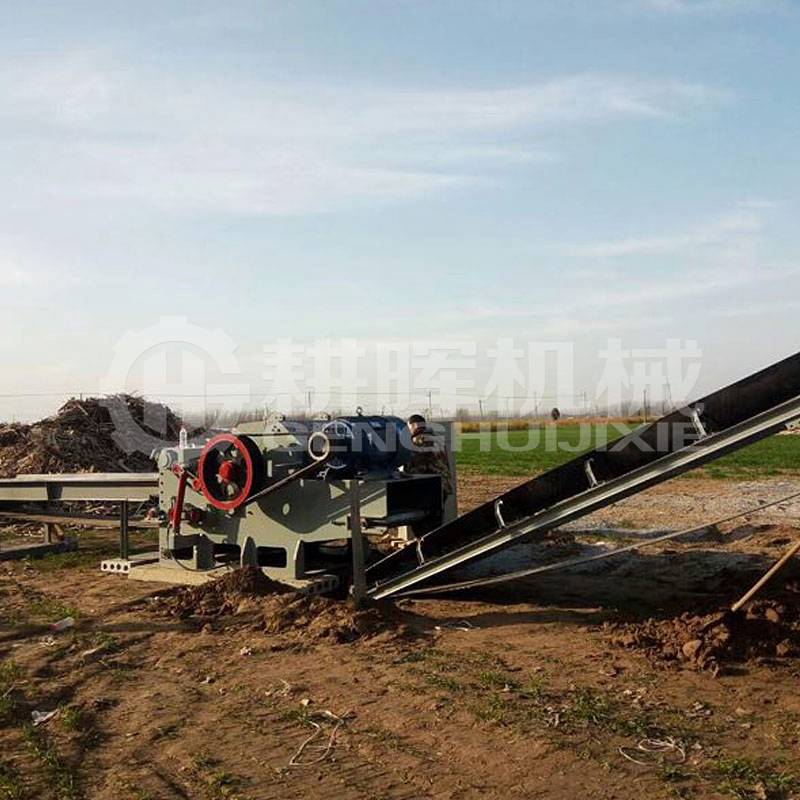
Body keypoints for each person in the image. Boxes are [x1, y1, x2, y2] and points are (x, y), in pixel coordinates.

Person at [405, 413, 453, 503]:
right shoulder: (436, 437)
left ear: (414, 425)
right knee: (438, 513)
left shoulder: (420, 440)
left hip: (431, 485)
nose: (408, 430)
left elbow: (418, 465)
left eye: (408, 427)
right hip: (443, 484)